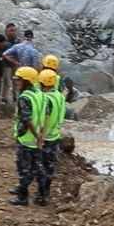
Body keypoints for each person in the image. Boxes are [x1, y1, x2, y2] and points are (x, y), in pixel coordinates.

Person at [9, 66, 45, 206]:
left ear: (27, 81)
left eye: (19, 80)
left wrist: (36, 136)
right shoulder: (39, 94)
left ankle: (22, 197)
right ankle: (42, 194)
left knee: (24, 168)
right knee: (36, 166)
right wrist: (40, 135)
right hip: (36, 137)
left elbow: (26, 119)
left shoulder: (24, 97)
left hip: (27, 138)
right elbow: (43, 116)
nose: (17, 83)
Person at [36, 68, 66, 206]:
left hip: (46, 137)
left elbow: (44, 119)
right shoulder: (59, 96)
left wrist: (40, 138)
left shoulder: (46, 99)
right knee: (50, 166)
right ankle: (46, 192)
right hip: (55, 136)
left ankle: (41, 195)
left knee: (41, 167)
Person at [0, 23, 19, 105]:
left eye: (14, 30)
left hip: (15, 65)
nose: (13, 32)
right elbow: (2, 54)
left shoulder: (18, 42)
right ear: (6, 32)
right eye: (11, 30)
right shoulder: (3, 42)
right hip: (6, 65)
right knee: (6, 82)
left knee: (15, 82)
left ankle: (15, 97)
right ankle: (4, 98)